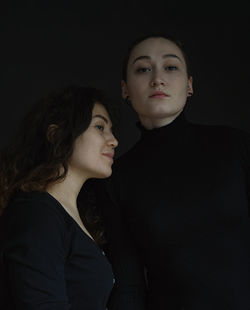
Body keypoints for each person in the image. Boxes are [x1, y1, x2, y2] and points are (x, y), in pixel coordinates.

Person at [91, 33, 250, 310]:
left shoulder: (236, 146)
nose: (157, 79)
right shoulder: (116, 179)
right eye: (143, 69)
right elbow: (130, 287)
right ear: (125, 89)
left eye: (171, 67)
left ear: (189, 85)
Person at [0, 85, 119, 310]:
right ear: (57, 135)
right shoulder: (37, 214)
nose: (113, 140)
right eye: (100, 127)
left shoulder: (73, 217)